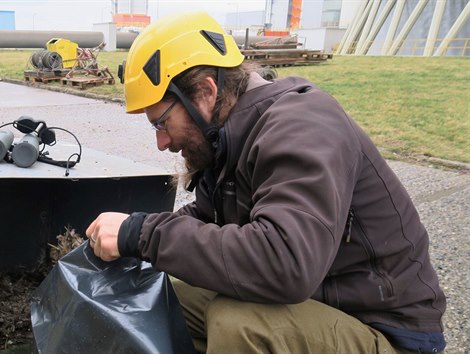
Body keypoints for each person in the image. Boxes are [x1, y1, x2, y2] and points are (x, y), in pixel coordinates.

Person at [86, 11, 446, 353]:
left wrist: (144, 234)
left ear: (206, 93)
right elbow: (207, 217)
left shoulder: (302, 125)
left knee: (241, 323)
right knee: (162, 290)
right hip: (319, 305)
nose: (162, 143)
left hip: (382, 331)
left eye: (161, 123)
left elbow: (285, 263)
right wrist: (130, 237)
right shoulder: (230, 136)